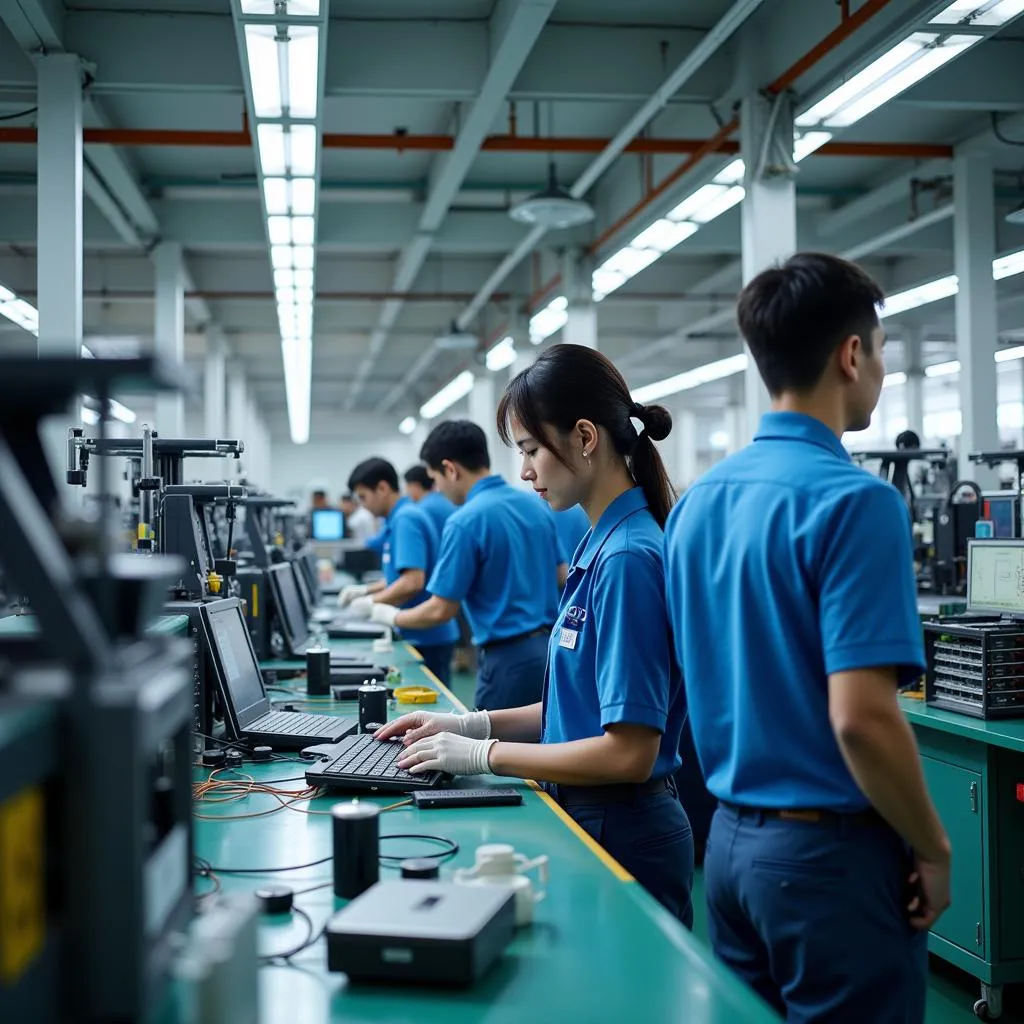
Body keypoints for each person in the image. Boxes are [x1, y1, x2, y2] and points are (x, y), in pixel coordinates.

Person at [664, 252, 950, 1022]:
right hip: (829, 863)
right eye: (883, 350)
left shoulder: (696, 505)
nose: (883, 367)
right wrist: (933, 845)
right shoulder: (857, 504)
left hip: (725, 848)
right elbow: (861, 717)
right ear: (851, 354)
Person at [377, 345, 694, 925]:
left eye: (529, 450)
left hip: (623, 825)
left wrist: (484, 755)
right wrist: (470, 724)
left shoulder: (627, 558)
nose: (524, 472)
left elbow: (629, 750)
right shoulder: (595, 544)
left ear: (584, 437)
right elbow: (577, 710)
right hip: (590, 811)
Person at [359, 420, 564, 710]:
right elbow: (560, 574)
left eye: (436, 478)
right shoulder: (536, 506)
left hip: (506, 662)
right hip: (551, 651)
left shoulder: (466, 520)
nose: (438, 489)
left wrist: (390, 616)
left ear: (450, 469)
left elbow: (442, 609)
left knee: (493, 750)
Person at [339, 458, 459, 685]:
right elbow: (398, 577)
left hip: (426, 636)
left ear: (383, 488)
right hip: (419, 632)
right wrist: (363, 591)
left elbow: (413, 582)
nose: (363, 505)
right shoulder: (398, 518)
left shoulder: (406, 519)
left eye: (364, 497)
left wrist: (372, 603)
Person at [403, 464, 456, 536]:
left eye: (408, 486)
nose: (406, 492)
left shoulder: (422, 508)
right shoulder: (442, 498)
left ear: (416, 485)